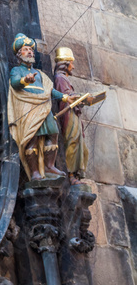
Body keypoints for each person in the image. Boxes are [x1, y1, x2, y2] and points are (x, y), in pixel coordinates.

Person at [8, 34, 75, 180]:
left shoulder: (39, 73)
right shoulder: (17, 71)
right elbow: (14, 83)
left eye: (31, 50)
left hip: (44, 106)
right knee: (31, 138)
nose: (30, 52)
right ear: (19, 55)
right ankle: (34, 172)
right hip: (28, 106)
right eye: (26, 50)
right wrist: (25, 80)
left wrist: (65, 97)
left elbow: (49, 90)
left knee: (53, 132)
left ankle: (49, 166)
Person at [53, 46, 90, 181]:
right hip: (68, 113)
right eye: (71, 63)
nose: (73, 67)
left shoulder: (64, 78)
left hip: (73, 112)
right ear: (65, 64)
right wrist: (80, 97)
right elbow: (66, 95)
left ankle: (76, 174)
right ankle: (70, 174)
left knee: (81, 146)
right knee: (72, 141)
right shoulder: (60, 78)